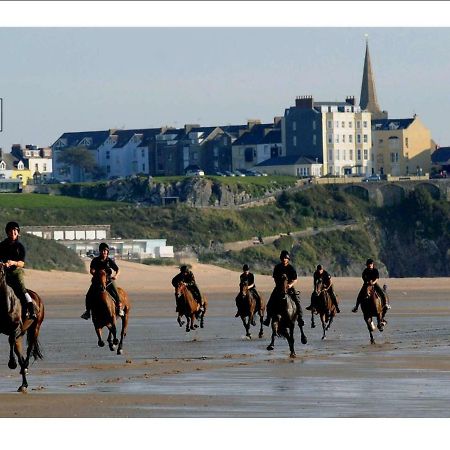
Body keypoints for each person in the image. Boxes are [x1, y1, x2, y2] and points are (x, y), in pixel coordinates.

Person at [0, 221, 37, 319]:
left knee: (21, 288)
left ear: (18, 232)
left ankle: (31, 310)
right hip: (3, 272)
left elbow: (22, 263)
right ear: (7, 232)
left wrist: (13, 263)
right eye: (10, 231)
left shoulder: (20, 247)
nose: (13, 232)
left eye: (15, 230)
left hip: (16, 272)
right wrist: (2, 264)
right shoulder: (2, 245)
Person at [81, 242, 123, 320]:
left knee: (116, 291)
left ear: (107, 251)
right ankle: (87, 312)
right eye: (102, 251)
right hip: (97, 281)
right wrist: (95, 273)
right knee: (89, 295)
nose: (104, 252)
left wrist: (116, 276)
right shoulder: (95, 260)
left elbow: (117, 270)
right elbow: (91, 270)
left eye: (105, 251)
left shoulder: (109, 260)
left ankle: (119, 308)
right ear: (100, 251)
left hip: (108, 280)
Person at [263, 250, 304, 327]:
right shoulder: (277, 267)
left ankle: (300, 318)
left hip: (289, 287)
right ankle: (268, 319)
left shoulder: (291, 268)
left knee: (297, 301)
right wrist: (279, 285)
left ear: (288, 259)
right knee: (269, 303)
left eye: (285, 258)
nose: (284, 259)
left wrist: (290, 285)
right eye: (283, 258)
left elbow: (295, 280)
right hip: (279, 287)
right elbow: (275, 278)